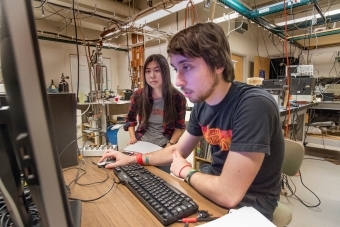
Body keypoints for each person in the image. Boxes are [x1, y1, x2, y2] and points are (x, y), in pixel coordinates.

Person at [100, 23, 284, 221]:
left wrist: (186, 172)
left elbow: (229, 194)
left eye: (187, 67)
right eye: (176, 69)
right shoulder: (203, 105)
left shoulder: (254, 105)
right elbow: (177, 151)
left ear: (219, 64)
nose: (178, 81)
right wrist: (132, 159)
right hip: (212, 183)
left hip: (250, 202)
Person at [123, 54, 187, 173]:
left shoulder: (178, 98)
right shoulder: (138, 95)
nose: (152, 75)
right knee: (133, 175)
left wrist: (170, 144)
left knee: (160, 180)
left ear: (165, 72)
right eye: (148, 71)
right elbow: (130, 120)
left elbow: (180, 126)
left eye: (157, 70)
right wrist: (132, 137)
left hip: (164, 145)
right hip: (141, 142)